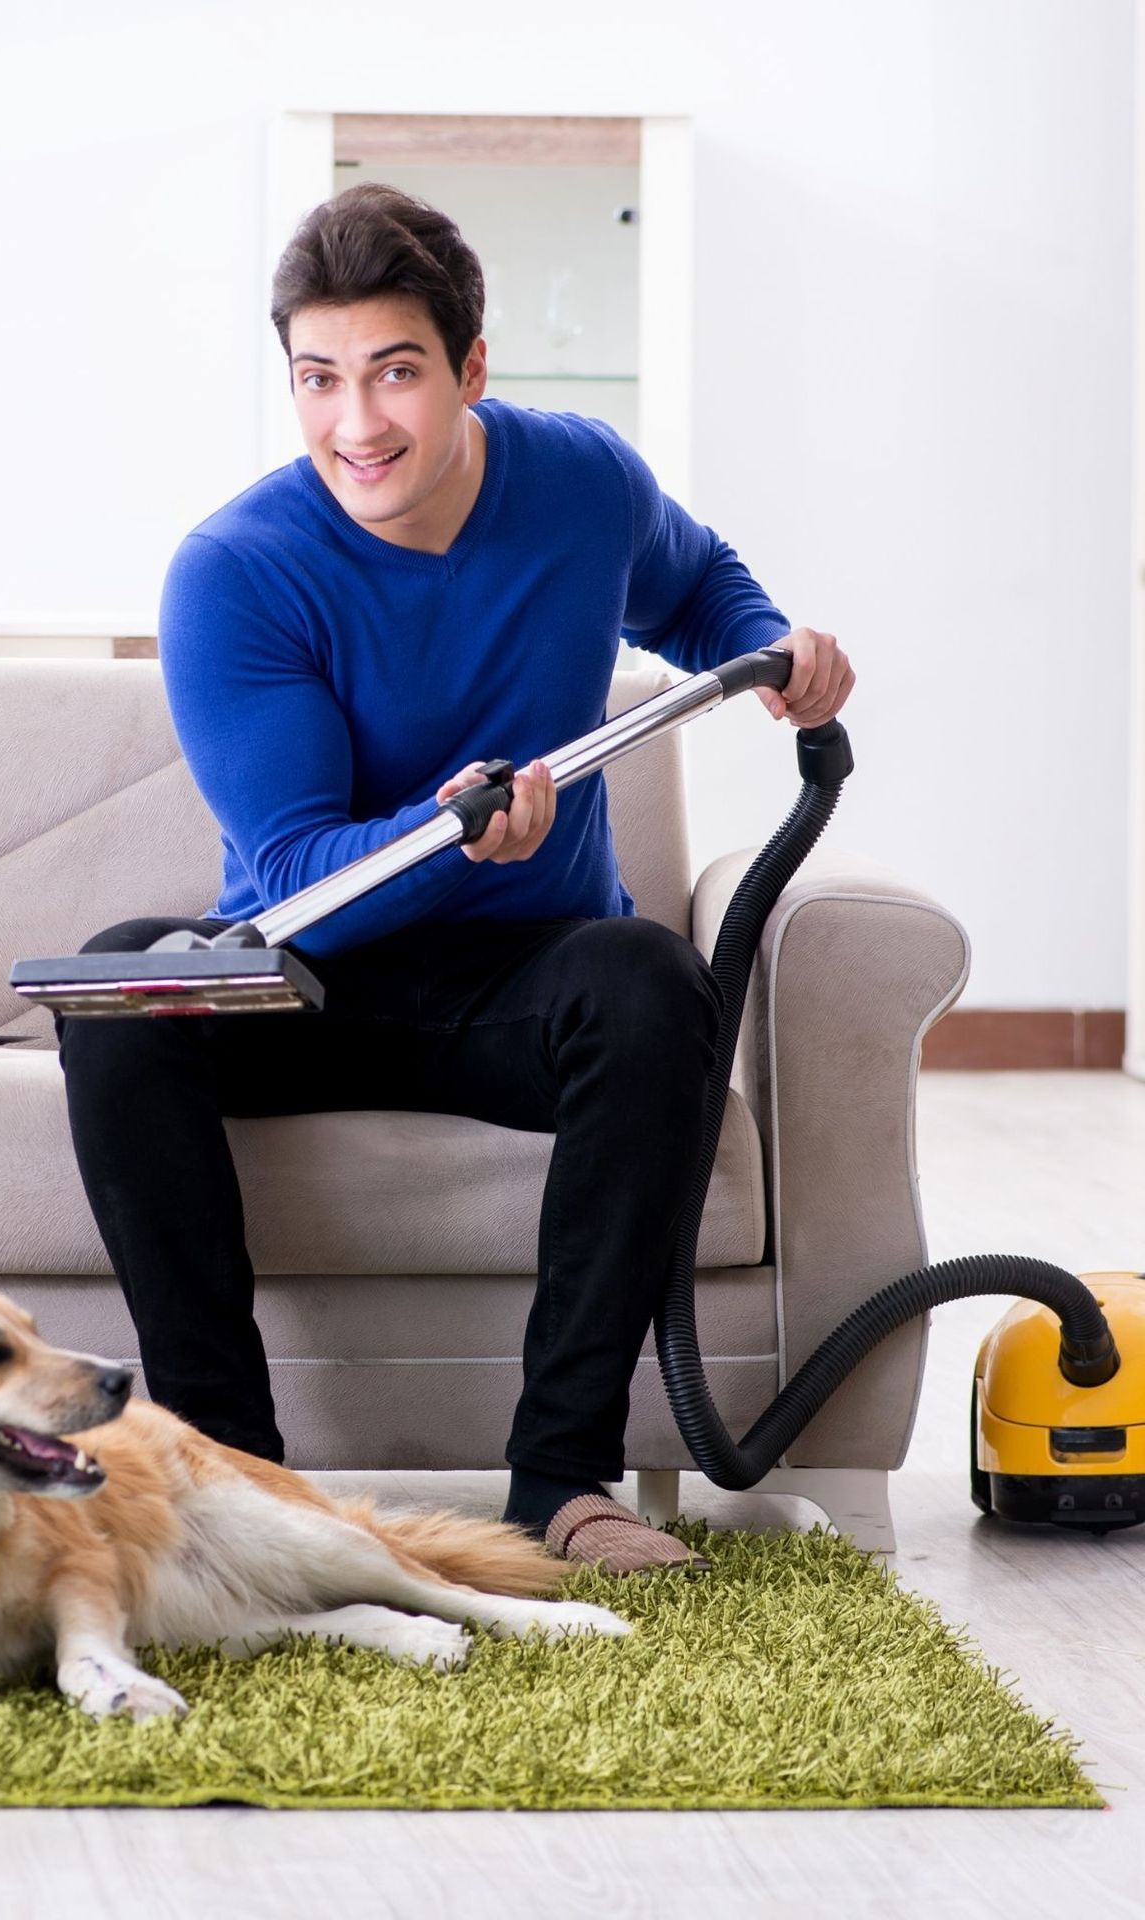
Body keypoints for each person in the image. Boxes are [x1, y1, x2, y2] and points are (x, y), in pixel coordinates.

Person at [57, 184, 855, 1573]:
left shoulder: (580, 483)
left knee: (650, 978)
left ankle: (563, 1478)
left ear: (471, 370)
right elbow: (298, 868)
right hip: (312, 971)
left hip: (525, 973)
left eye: (396, 373)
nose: (356, 423)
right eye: (320, 379)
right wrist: (446, 834)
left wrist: (773, 642)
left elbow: (697, 582)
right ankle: (233, 1477)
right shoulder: (238, 572)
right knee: (126, 980)